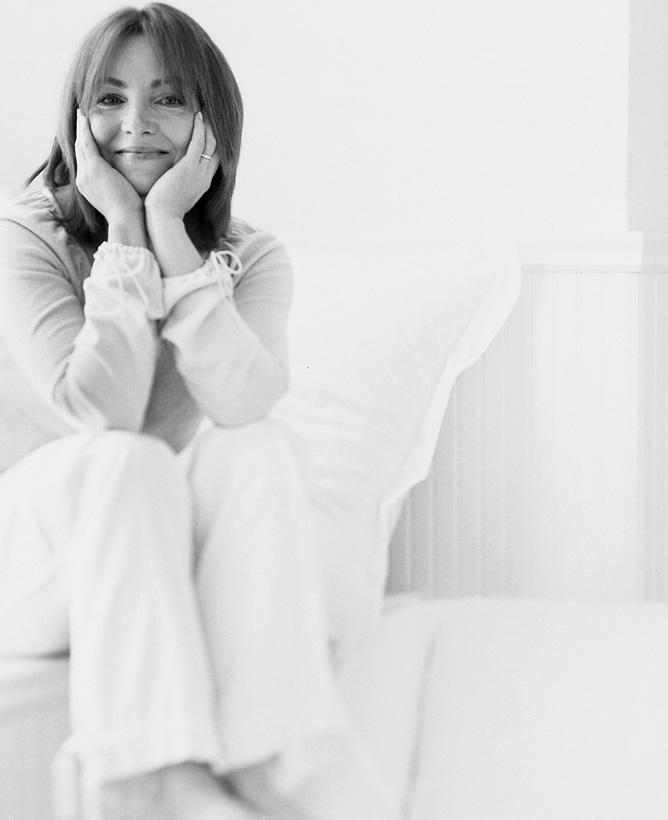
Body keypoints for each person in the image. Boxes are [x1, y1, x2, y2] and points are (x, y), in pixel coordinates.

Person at [0, 4, 392, 819]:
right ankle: (147, 774)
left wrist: (173, 241)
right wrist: (123, 234)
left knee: (258, 448)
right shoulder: (26, 234)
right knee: (128, 457)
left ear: (210, 122)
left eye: (168, 98)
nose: (134, 124)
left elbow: (245, 403)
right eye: (108, 99)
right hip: (35, 559)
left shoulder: (251, 255)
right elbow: (98, 411)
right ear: (77, 120)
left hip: (145, 539)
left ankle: (269, 754)